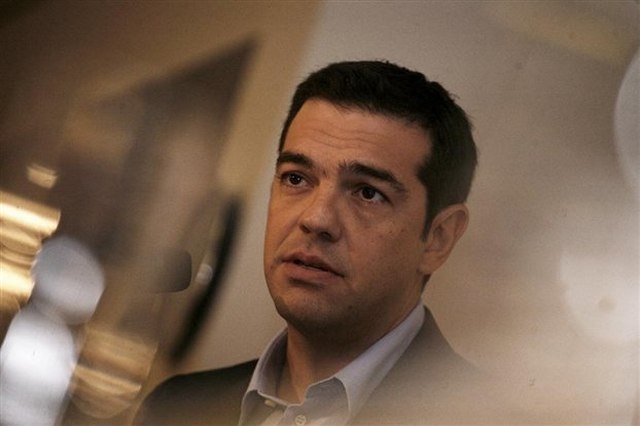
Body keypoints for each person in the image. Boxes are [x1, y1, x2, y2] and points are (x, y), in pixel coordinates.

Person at [136, 60, 493, 425]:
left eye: (368, 193)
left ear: (438, 238)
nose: (316, 219)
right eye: (296, 179)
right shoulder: (173, 407)